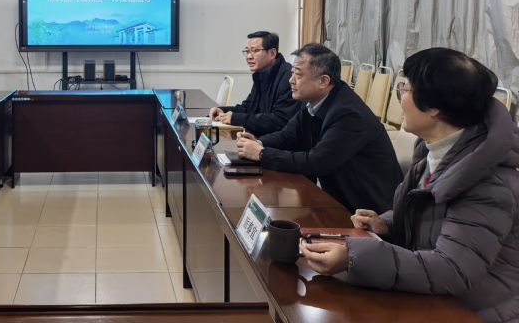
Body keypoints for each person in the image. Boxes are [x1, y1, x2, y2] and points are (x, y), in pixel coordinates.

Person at [301, 48, 519, 322]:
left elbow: (452, 269)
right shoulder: (436, 151)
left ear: (434, 106)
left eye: (405, 89)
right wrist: (387, 224)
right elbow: (437, 219)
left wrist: (355, 257)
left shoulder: (488, 183)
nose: (400, 98)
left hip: (473, 311)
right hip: (432, 297)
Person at [236, 43, 402, 213]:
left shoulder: (349, 114)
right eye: (292, 73)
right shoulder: (315, 100)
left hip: (365, 210)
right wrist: (258, 142)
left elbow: (315, 162)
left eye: (298, 74)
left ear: (323, 81)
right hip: (335, 199)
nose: (291, 80)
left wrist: (262, 154)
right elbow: (288, 136)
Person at [209, 31, 300, 136]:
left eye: (255, 51)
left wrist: (236, 118)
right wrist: (222, 111)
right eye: (247, 51)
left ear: (272, 53)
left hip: (276, 141)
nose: (249, 56)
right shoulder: (261, 74)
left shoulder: (288, 78)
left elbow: (279, 121)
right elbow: (248, 107)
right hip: (261, 136)